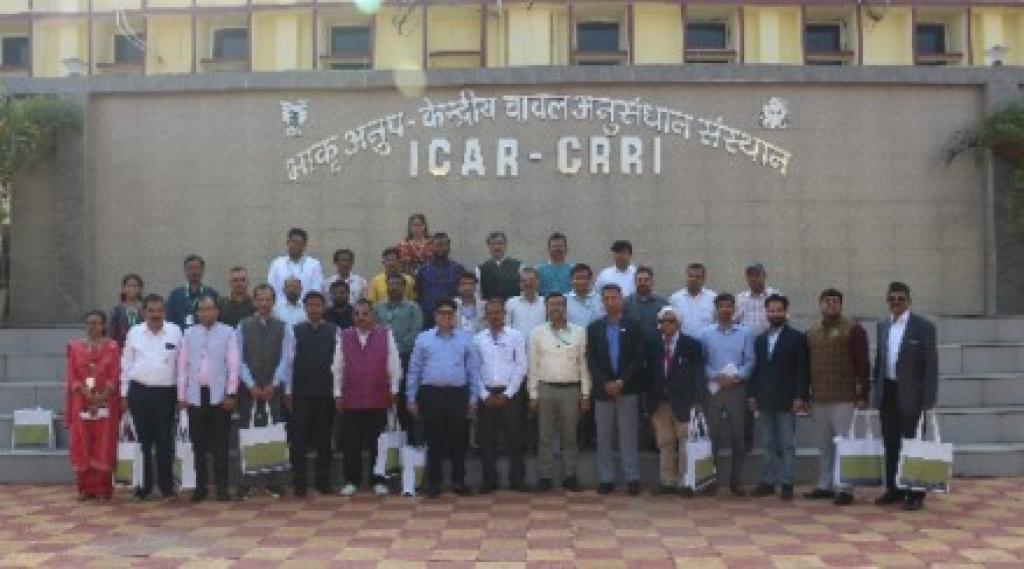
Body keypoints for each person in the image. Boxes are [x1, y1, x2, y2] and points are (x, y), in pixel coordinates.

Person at [873, 282, 938, 512]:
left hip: (912, 394)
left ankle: (915, 492)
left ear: (909, 301)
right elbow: (879, 362)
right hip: (888, 392)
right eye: (892, 299)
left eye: (901, 298)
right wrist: (876, 391)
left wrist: (929, 398)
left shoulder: (923, 327)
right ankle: (894, 488)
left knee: (912, 443)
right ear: (887, 301)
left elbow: (931, 365)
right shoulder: (882, 326)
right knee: (891, 442)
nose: (897, 302)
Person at [406, 299, 481, 498]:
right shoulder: (424, 339)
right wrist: (411, 397)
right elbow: (414, 370)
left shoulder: (466, 338)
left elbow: (473, 370)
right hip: (432, 394)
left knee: (459, 440)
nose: (446, 317)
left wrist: (474, 397)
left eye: (450, 313)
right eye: (442, 313)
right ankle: (434, 483)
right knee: (434, 439)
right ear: (435, 316)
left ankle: (459, 481)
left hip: (458, 394)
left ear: (455, 316)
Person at [804, 288, 870, 505]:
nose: (831, 305)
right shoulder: (811, 332)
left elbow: (863, 364)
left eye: (835, 302)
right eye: (827, 301)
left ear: (841, 305)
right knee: (824, 446)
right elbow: (805, 367)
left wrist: (863, 394)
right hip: (819, 398)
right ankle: (825, 485)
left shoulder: (853, 330)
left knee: (844, 445)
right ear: (820, 305)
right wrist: (805, 396)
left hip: (844, 398)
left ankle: (845, 489)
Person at [176, 296, 239, 503]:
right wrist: (181, 396)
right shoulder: (189, 333)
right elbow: (182, 367)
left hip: (220, 396)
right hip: (195, 396)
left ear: (217, 311)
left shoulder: (228, 332)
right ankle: (200, 488)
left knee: (221, 445)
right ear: (197, 313)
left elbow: (233, 364)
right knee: (199, 445)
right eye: (202, 310)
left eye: (210, 309)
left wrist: (231, 393)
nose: (206, 313)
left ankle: (222, 488)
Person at [336, 300, 401, 497]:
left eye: (365, 313)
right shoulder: (344, 336)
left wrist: (395, 388)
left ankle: (378, 480)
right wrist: (337, 393)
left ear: (373, 316)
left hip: (378, 396)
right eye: (357, 314)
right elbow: (337, 366)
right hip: (352, 397)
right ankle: (352, 480)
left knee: (377, 443)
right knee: (352, 443)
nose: (361, 318)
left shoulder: (385, 334)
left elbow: (394, 364)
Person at [121, 293, 183, 501]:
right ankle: (143, 486)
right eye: (151, 310)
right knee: (142, 442)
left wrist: (181, 395)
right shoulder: (134, 332)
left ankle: (166, 487)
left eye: (159, 310)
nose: (155, 314)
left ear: (164, 312)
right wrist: (124, 394)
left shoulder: (175, 331)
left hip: (166, 394)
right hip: (139, 392)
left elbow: (181, 367)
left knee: (165, 442)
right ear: (144, 312)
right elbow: (126, 365)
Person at [747, 294, 809, 501]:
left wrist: (800, 397)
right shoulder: (760, 340)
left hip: (787, 400)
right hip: (764, 399)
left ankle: (787, 483)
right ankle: (767, 482)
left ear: (785, 312)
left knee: (786, 444)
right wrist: (752, 394)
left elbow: (802, 370)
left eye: (778, 310)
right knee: (767, 443)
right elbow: (757, 370)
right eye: (771, 310)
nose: (774, 314)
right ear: (766, 313)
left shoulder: (798, 338)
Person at [528, 292, 591, 493]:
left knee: (570, 436)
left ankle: (570, 476)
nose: (557, 308)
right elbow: (533, 366)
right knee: (545, 435)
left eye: (560, 305)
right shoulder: (537, 333)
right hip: (546, 388)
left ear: (566, 307)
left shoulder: (579, 332)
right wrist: (533, 394)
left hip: (571, 390)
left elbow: (583, 364)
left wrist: (585, 393)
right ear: (546, 308)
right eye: (552, 305)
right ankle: (545, 476)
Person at [236, 284, 293, 499]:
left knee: (274, 432)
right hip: (249, 390)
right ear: (254, 302)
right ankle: (246, 483)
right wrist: (250, 384)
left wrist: (274, 383)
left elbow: (286, 357)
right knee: (247, 431)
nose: (264, 304)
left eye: (268, 299)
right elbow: (239, 358)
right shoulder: (243, 326)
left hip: (273, 389)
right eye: (260, 300)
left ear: (273, 301)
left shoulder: (283, 326)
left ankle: (273, 483)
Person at [587, 284, 646, 496]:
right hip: (603, 390)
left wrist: (621, 381)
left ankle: (632, 477)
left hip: (627, 388)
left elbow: (639, 357)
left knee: (628, 434)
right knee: (603, 436)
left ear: (622, 300)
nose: (610, 301)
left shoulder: (634, 326)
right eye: (607, 298)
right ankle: (606, 478)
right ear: (602, 302)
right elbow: (591, 359)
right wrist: (605, 382)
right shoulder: (594, 328)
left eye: (614, 298)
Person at [284, 291, 340, 497]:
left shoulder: (334, 330)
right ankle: (299, 482)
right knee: (298, 440)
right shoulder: (295, 330)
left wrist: (337, 392)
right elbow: (288, 364)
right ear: (305, 308)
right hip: (301, 393)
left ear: (323, 307)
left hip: (326, 393)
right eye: (310, 305)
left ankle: (323, 481)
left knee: (324, 439)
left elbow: (339, 364)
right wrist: (288, 391)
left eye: (318, 305)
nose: (314, 309)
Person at [646, 306, 706, 497]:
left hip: (685, 401)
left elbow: (698, 373)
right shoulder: (653, 345)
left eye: (671, 321)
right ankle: (668, 482)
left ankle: (685, 482)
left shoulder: (692, 345)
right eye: (663, 321)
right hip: (660, 402)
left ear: (679, 323)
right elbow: (649, 372)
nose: (667, 325)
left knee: (685, 442)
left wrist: (698, 399)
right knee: (665, 443)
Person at [700, 293, 754, 497]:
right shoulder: (705, 333)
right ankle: (709, 479)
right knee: (712, 435)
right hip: (714, 389)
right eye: (721, 306)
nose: (725, 309)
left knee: (738, 436)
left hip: (736, 389)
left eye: (729, 306)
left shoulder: (745, 333)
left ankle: (737, 480)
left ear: (734, 309)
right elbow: (701, 362)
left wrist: (737, 376)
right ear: (715, 309)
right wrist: (716, 376)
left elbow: (750, 360)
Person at [66, 310, 121, 501]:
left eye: (97, 323)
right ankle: (85, 489)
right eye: (89, 323)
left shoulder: (113, 347)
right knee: (82, 442)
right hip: (81, 401)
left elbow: (115, 374)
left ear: (104, 325)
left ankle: (103, 489)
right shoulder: (75, 347)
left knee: (104, 443)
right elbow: (72, 375)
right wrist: (86, 393)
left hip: (106, 401)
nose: (92, 327)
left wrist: (101, 396)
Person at [473, 298, 528, 493]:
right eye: (491, 313)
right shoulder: (478, 339)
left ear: (504, 314)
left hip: (510, 393)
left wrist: (508, 393)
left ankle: (518, 480)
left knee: (515, 437)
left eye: (498, 312)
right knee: (487, 440)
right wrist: (483, 393)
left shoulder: (516, 336)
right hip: (486, 394)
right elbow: (474, 369)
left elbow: (521, 366)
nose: (494, 316)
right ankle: (489, 481)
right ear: (485, 316)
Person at [372, 273, 424, 441]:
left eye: (398, 284)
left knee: (403, 402)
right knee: (382, 401)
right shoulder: (378, 308)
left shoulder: (413, 308)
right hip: (381, 362)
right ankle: (383, 445)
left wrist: (394, 350)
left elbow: (415, 333)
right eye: (390, 283)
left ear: (404, 287)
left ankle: (409, 443)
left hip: (406, 359)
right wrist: (385, 352)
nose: (394, 286)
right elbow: (375, 332)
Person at [414, 232, 465, 329]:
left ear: (449, 248)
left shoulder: (458, 270)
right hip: (428, 319)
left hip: (452, 317)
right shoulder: (422, 271)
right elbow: (418, 295)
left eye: (444, 245)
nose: (441, 248)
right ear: (431, 247)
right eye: (438, 245)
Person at [268, 227, 324, 301]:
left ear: (304, 245)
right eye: (293, 242)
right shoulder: (277, 264)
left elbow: (316, 289)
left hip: (305, 309)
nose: (295, 245)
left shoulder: (314, 264)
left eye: (299, 243)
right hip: (280, 308)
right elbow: (272, 289)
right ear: (287, 243)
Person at [166, 254, 219, 329]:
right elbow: (169, 320)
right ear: (185, 271)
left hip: (206, 338)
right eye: (190, 268)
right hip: (181, 338)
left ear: (203, 270)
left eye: (197, 268)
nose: (194, 271)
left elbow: (217, 320)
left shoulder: (212, 293)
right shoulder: (175, 295)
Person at [668, 263, 717, 338]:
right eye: (691, 276)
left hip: (707, 344)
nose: (694, 280)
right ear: (687, 277)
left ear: (703, 279)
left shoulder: (713, 298)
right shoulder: (675, 299)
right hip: (684, 345)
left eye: (697, 277)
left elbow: (717, 322)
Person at [623, 265, 668, 345]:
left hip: (656, 349)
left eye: (646, 280)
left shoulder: (663, 304)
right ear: (635, 282)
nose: (642, 283)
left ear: (652, 282)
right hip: (632, 348)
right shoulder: (626, 303)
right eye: (639, 280)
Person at [735, 262, 779, 337]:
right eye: (750, 276)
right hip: (747, 344)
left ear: (765, 276)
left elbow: (784, 320)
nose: (753, 279)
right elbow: (735, 322)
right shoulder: (740, 298)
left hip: (770, 343)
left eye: (757, 275)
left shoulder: (775, 296)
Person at [476, 231, 522, 302]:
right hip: (490, 310)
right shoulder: (480, 269)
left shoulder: (519, 266)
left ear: (506, 246)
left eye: (500, 243)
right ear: (488, 246)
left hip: (512, 309)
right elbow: (478, 294)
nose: (497, 247)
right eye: (493, 244)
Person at [505, 267, 546, 340]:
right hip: (517, 347)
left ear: (538, 282)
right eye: (524, 281)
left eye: (531, 280)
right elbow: (507, 328)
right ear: (519, 284)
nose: (528, 283)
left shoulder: (545, 302)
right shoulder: (511, 303)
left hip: (540, 347)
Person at [108, 274, 144, 348]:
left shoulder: (145, 309)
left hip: (142, 347)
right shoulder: (117, 310)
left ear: (140, 289)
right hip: (122, 347)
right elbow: (112, 333)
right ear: (123, 289)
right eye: (129, 286)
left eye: (135, 286)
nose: (132, 289)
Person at [535, 232, 573, 296]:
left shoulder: (573, 270)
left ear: (566, 249)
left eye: (560, 246)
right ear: (548, 249)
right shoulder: (538, 270)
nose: (557, 249)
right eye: (554, 246)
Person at [567, 263, 601, 328]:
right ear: (571, 280)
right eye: (577, 278)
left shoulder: (600, 300)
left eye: (584, 278)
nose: (581, 281)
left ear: (590, 279)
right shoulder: (564, 300)